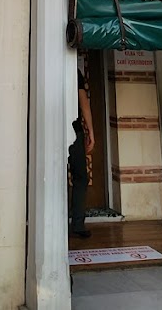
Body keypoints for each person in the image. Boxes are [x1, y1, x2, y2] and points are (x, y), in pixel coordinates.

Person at [69, 63, 95, 238]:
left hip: (51, 130)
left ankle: (51, 222)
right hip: (73, 130)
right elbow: (83, 101)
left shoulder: (43, 65)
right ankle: (77, 225)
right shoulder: (74, 71)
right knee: (80, 177)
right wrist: (90, 132)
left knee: (50, 178)